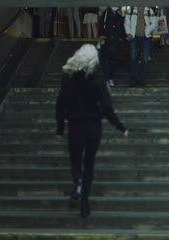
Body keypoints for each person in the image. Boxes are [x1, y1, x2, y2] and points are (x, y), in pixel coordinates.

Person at [55, 44, 129, 218]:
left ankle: (77, 184)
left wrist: (60, 128)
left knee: (75, 159)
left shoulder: (68, 78)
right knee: (89, 162)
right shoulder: (97, 78)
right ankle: (85, 201)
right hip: (93, 126)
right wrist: (120, 127)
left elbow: (60, 105)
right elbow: (106, 107)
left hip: (74, 125)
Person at [124, 6, 157, 87]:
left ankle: (141, 79)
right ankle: (133, 79)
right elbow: (126, 22)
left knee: (145, 59)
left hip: (146, 38)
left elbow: (154, 22)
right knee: (133, 58)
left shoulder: (149, 10)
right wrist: (129, 33)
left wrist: (148, 30)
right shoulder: (131, 10)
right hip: (134, 37)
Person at [99, 7, 127, 87]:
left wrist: (125, 38)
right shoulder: (105, 15)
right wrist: (101, 35)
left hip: (115, 42)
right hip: (107, 40)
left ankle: (110, 78)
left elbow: (121, 30)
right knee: (106, 61)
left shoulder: (119, 17)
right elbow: (101, 26)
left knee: (113, 61)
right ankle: (107, 79)